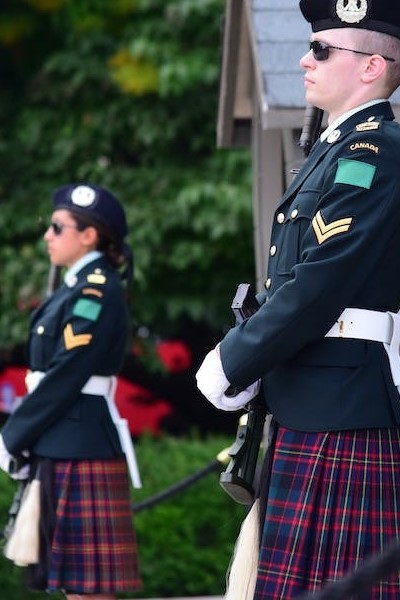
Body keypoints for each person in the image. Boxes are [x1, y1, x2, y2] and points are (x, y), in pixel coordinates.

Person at [196, 0, 400, 598]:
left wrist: (235, 359)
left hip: (343, 404)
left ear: (371, 67)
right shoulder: (336, 151)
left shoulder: (374, 154)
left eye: (320, 50)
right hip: (311, 396)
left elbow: (321, 281)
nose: (303, 60)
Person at [0, 183, 141, 600]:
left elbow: (67, 371)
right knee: (71, 586)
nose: (47, 235)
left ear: (89, 235)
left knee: (88, 590)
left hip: (79, 444)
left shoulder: (95, 289)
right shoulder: (73, 288)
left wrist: (14, 434)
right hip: (62, 439)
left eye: (58, 227)